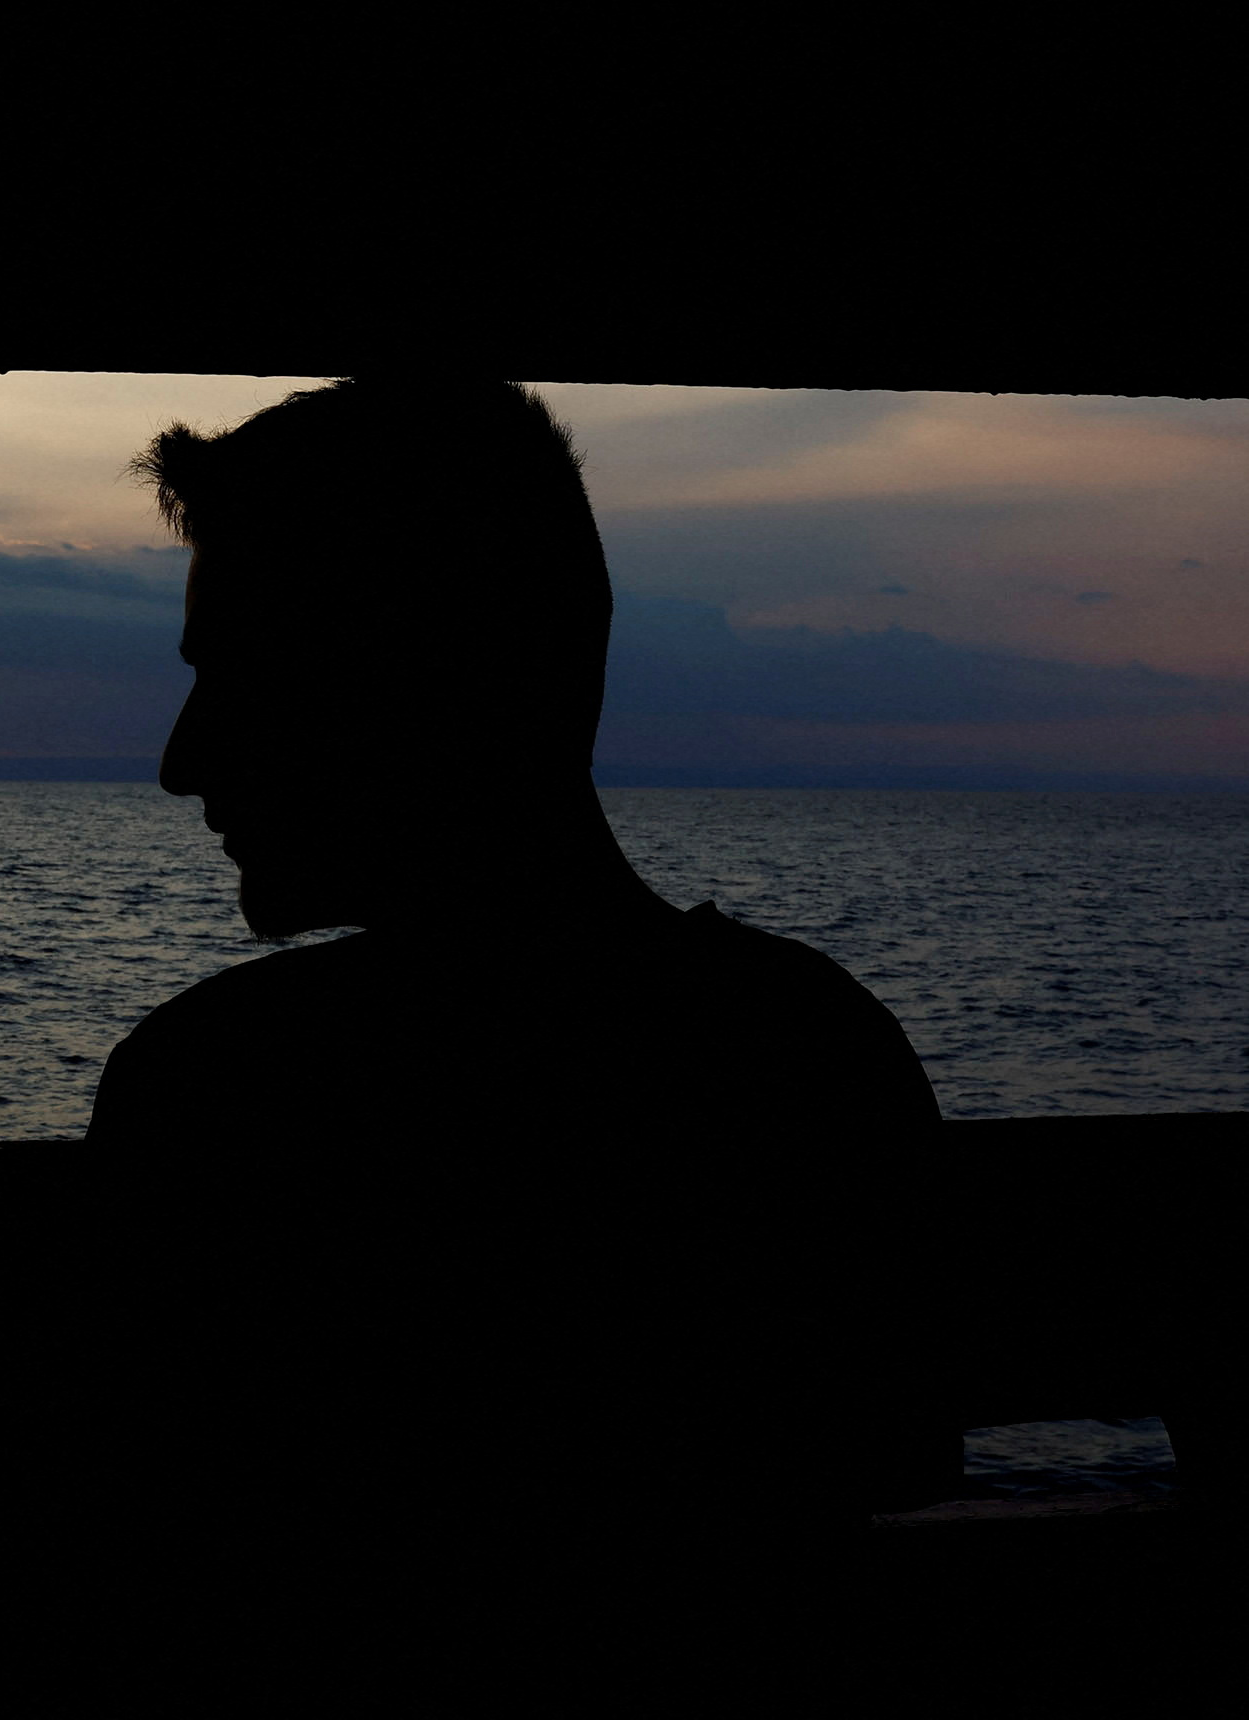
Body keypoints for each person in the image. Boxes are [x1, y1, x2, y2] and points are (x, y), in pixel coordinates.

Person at [81, 376, 953, 1661]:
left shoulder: (223, 1093)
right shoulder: (813, 1054)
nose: (182, 756)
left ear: (411, 676)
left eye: (241, 674)